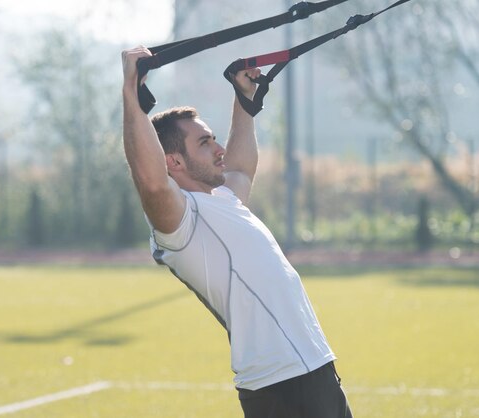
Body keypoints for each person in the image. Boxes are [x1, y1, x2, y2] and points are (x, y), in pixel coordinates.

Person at [122, 45, 353, 418]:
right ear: (174, 162)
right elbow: (151, 183)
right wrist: (131, 93)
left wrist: (243, 99)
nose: (220, 149)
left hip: (310, 369)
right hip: (283, 385)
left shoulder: (223, 199)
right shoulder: (182, 225)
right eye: (204, 142)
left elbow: (242, 168)